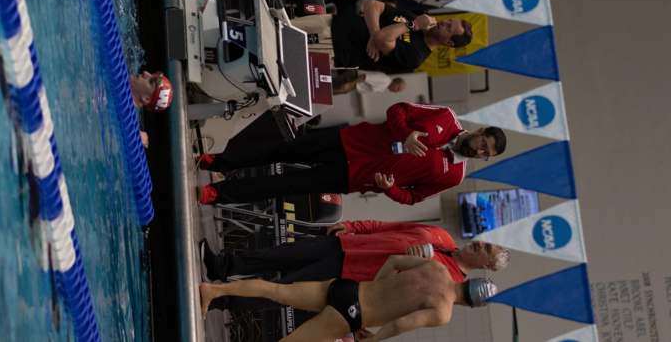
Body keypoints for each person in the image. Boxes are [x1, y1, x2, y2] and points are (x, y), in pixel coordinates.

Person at [197, 102, 506, 205]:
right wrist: (407, 133)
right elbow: (396, 110)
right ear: (480, 132)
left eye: (485, 153)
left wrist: (390, 190)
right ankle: (221, 161)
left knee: (284, 185)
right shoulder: (446, 118)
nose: (480, 150)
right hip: (350, 140)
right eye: (483, 143)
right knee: (282, 148)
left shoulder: (454, 175)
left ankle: (217, 193)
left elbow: (413, 198)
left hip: (355, 176)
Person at [199, 221, 509, 312]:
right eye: (484, 241)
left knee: (282, 290)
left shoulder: (448, 281)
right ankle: (222, 266)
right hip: (349, 246)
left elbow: (401, 295)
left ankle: (222, 300)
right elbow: (389, 226)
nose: (479, 243)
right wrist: (354, 226)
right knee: (279, 254)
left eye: (486, 249)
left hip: (352, 276)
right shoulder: (441, 236)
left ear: (485, 267)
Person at [200, 259, 498, 341]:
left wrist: (377, 286)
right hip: (352, 315)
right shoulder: (443, 311)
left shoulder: (437, 267)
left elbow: (394, 259)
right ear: (470, 305)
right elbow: (403, 325)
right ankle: (212, 293)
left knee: (274, 290)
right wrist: (371, 340)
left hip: (349, 289)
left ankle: (213, 291)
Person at [293, 0, 472, 73]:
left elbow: (384, 40)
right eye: (448, 20)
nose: (443, 23)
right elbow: (372, 5)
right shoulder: (412, 16)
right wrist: (374, 33)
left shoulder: (415, 55)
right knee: (279, 24)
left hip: (334, 48)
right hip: (333, 21)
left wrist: (414, 25)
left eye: (448, 28)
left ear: (448, 42)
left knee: (280, 48)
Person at [130, 71, 174, 147]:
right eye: (151, 74)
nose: (145, 73)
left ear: (146, 99)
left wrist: (136, 134)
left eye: (150, 81)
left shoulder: (128, 120)